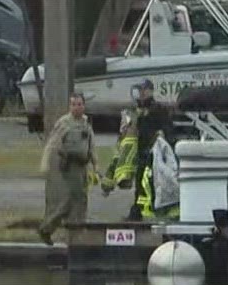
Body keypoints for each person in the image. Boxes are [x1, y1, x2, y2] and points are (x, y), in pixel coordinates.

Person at [104, 79, 173, 220]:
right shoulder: (134, 112)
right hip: (139, 154)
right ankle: (137, 213)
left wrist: (160, 137)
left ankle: (151, 212)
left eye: (143, 90)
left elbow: (168, 131)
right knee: (139, 185)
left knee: (151, 185)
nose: (141, 93)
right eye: (139, 90)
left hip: (153, 155)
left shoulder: (158, 110)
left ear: (150, 91)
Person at [38, 94, 97, 245]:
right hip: (69, 166)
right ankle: (74, 234)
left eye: (79, 104)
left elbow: (91, 146)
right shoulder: (64, 123)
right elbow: (52, 143)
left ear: (84, 106)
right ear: (70, 106)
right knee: (76, 200)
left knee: (75, 201)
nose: (77, 107)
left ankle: (51, 229)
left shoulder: (86, 123)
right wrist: (44, 163)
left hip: (82, 166)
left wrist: (95, 167)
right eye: (73, 104)